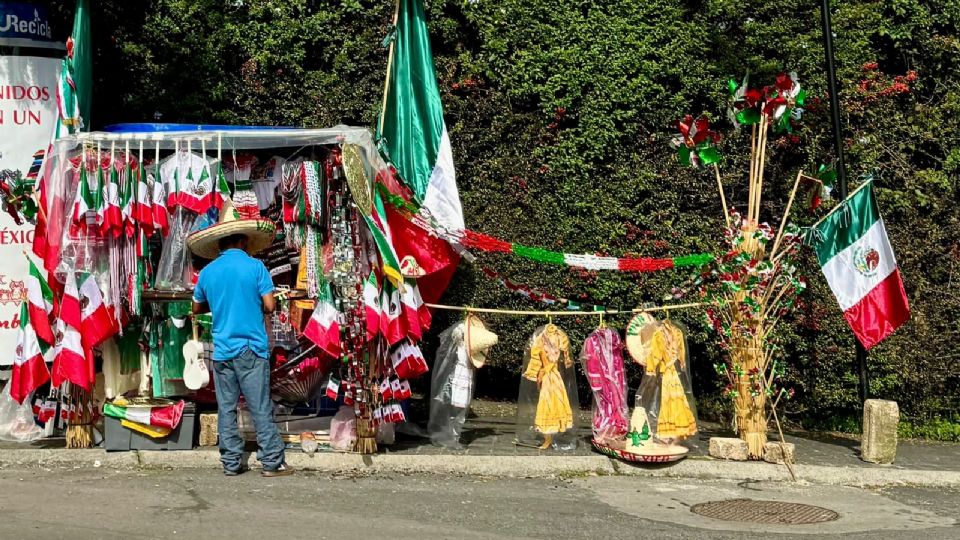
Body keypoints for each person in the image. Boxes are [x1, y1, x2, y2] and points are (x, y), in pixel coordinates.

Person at [189, 206, 293, 477]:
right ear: (241, 239)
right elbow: (269, 306)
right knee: (259, 407)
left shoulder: (208, 273)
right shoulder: (256, 267)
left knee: (226, 408)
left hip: (222, 351)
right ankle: (271, 461)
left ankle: (231, 463)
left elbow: (197, 308)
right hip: (251, 348)